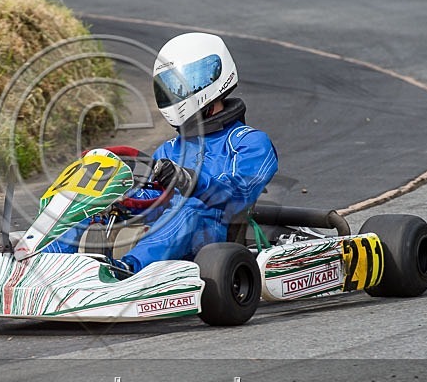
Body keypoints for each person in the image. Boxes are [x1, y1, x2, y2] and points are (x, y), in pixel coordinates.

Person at [44, 32, 278, 273]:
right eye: (170, 87)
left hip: (214, 234)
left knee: (188, 209)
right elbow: (154, 201)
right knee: (89, 205)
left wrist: (189, 180)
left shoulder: (249, 141)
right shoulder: (169, 149)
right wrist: (120, 200)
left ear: (212, 78)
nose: (176, 93)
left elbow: (239, 195)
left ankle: (126, 270)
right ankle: (45, 262)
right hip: (163, 232)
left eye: (182, 85)